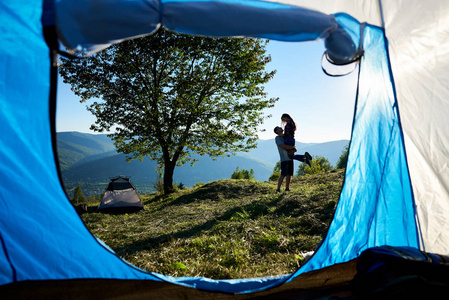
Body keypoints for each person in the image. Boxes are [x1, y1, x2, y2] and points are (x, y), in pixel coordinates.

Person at [274, 126, 295, 193]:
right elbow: (283, 146)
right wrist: (292, 148)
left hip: (290, 157)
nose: (281, 128)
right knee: (283, 174)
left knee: (289, 174)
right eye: (279, 128)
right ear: (277, 131)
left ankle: (287, 188)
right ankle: (278, 188)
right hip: (284, 158)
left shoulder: (286, 136)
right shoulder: (278, 138)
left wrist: (293, 149)